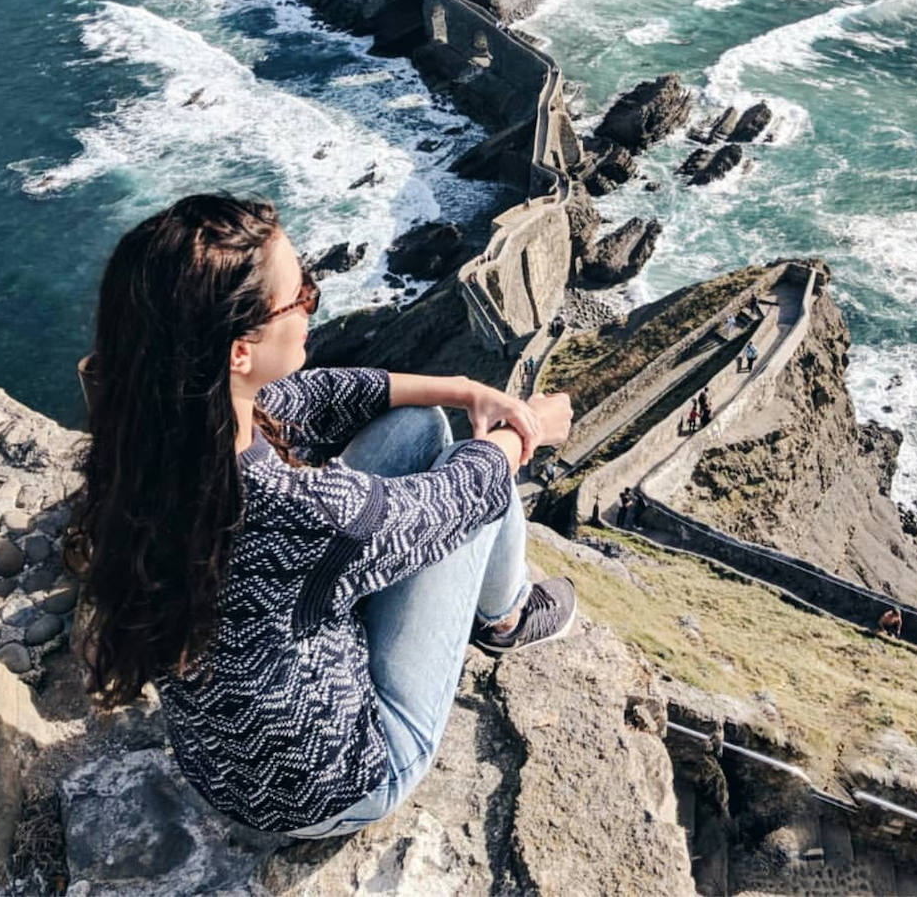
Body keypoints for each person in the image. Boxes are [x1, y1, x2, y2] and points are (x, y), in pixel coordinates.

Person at [66, 193, 577, 840]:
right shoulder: (290, 508)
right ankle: (506, 616)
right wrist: (524, 430)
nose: (315, 302)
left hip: (218, 769)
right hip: (340, 787)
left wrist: (462, 388)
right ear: (238, 352)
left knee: (420, 422)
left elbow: (323, 395)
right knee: (480, 476)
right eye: (300, 296)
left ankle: (482, 595)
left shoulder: (150, 433)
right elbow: (454, 500)